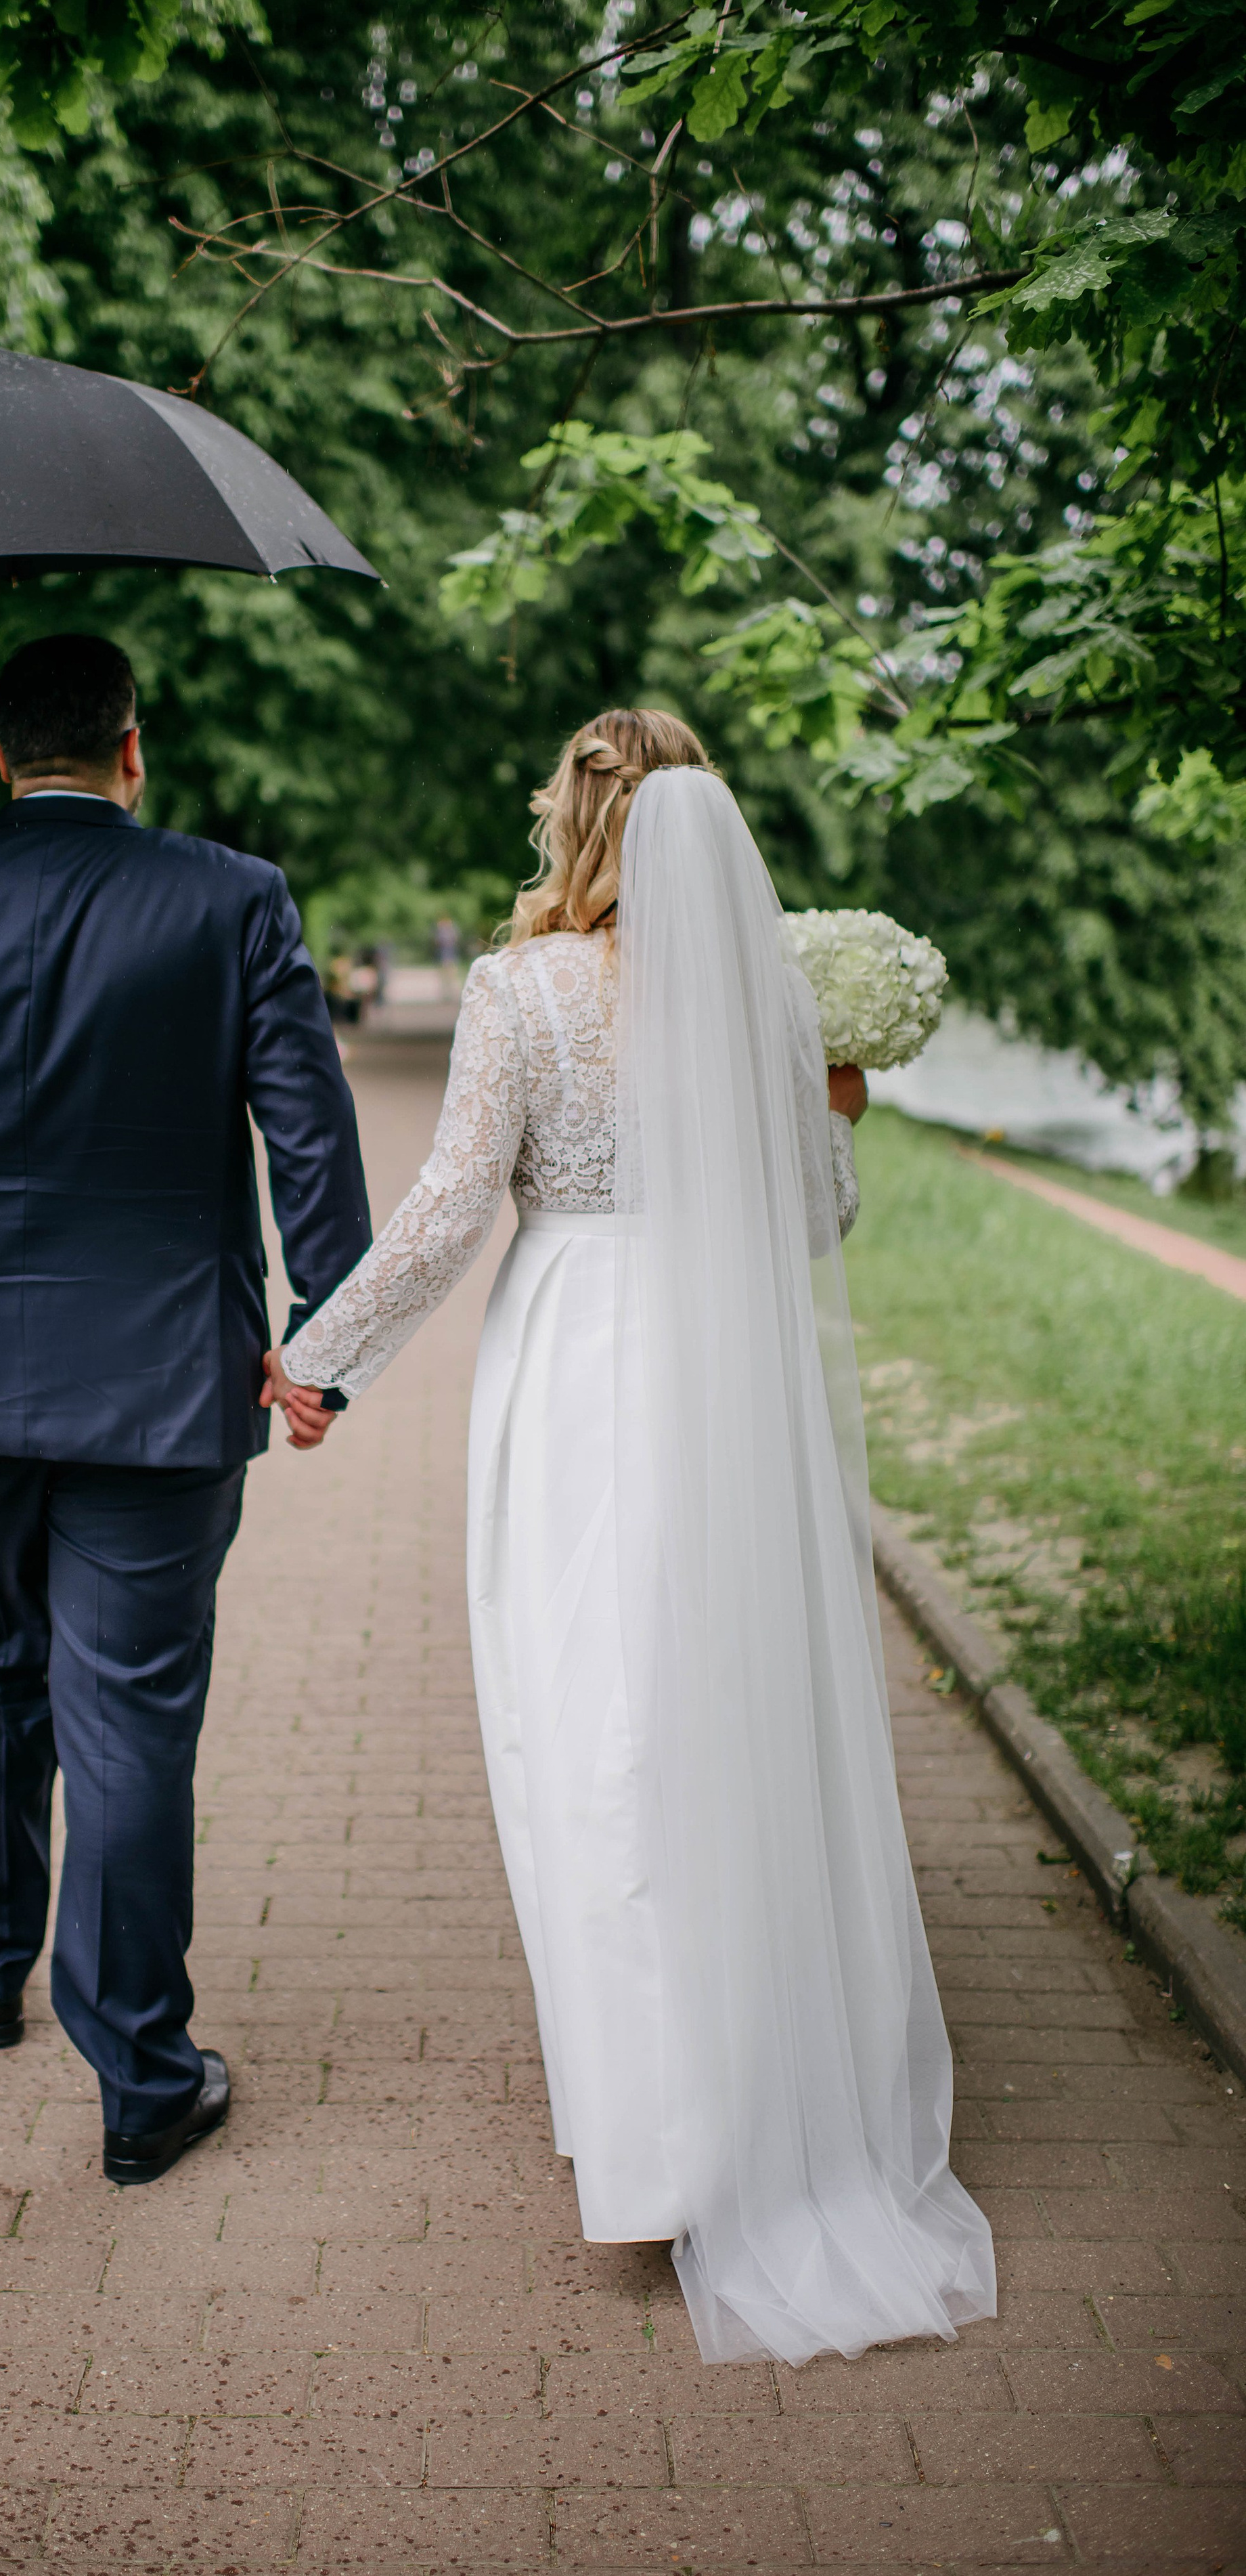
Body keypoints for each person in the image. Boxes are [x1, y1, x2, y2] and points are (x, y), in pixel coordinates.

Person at [269, 712, 996, 2367]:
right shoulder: (759, 1001)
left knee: (585, 1728)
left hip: (582, 1366)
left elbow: (455, 1202)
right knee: (724, 1726)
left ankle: (656, 2147)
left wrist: (320, 1359)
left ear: (569, 823)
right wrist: (834, 1107)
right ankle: (750, 2105)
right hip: (724, 1381)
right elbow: (820, 1218)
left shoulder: (521, 992)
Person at [0, 634, 370, 2187]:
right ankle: (139, 2079)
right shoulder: (231, 899)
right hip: (162, 1373)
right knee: (126, 1709)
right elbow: (307, 1136)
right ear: (134, 748)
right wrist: (331, 1333)